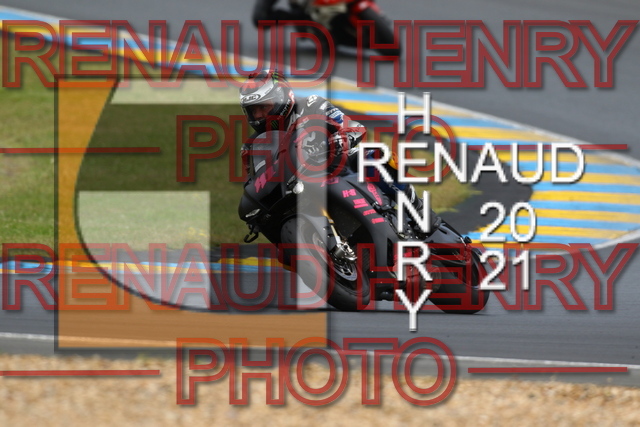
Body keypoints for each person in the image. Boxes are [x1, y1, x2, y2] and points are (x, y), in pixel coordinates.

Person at [239, 70, 427, 228]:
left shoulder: (311, 105)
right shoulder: (250, 147)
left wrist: (341, 138)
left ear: (282, 98)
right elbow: (253, 184)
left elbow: (352, 127)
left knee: (376, 158)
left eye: (264, 107)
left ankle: (417, 209)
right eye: (253, 111)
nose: (259, 115)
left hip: (336, 163)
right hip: (295, 189)